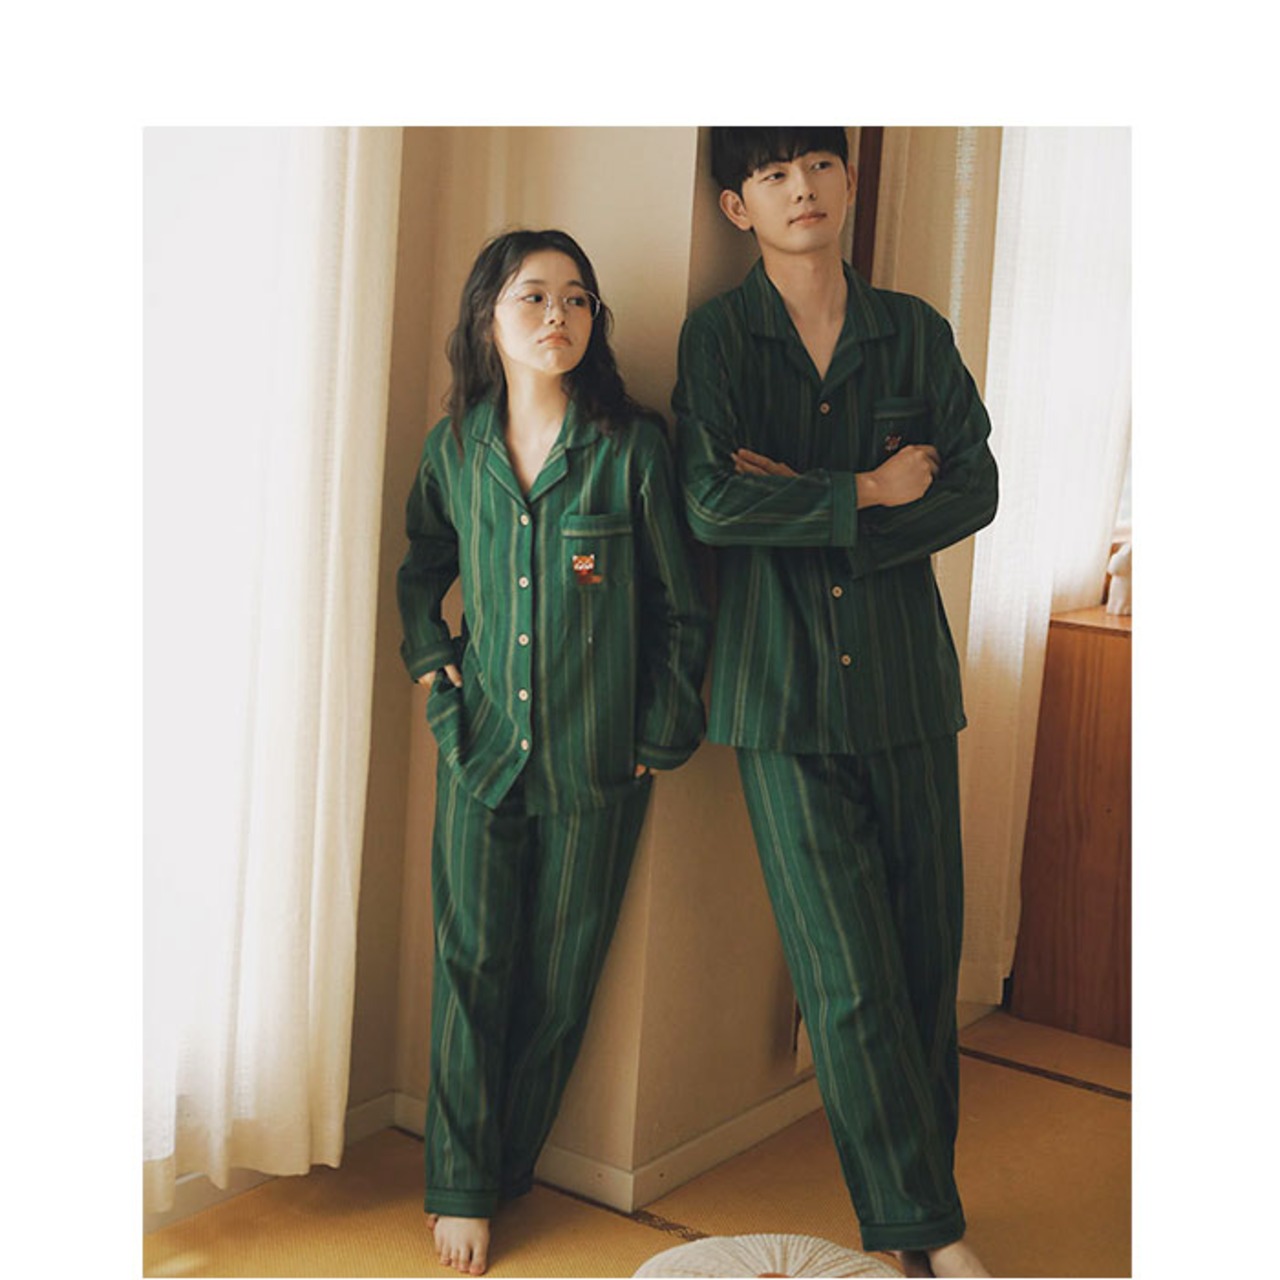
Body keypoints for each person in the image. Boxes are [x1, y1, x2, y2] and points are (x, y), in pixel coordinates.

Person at [672, 128, 998, 1279]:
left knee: (920, 962)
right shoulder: (718, 336)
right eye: (770, 174)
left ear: (848, 181)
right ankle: (932, 1230)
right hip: (778, 696)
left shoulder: (911, 329)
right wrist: (863, 487)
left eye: (816, 163)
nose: (799, 188)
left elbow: (972, 485)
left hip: (906, 685)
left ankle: (914, 1226)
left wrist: (808, 512)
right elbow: (710, 503)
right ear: (735, 207)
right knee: (847, 977)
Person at [397, 228, 708, 1276]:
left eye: (576, 299)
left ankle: (501, 1170)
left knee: (560, 980)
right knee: (469, 969)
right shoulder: (455, 450)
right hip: (480, 749)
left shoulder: (631, 448)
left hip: (599, 765)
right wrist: (434, 671)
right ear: (488, 316)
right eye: (532, 297)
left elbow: (681, 607)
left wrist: (656, 734)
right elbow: (420, 568)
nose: (557, 317)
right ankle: (458, 1184)